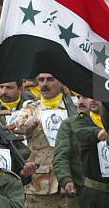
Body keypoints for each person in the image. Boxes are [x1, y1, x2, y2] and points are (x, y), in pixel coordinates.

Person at [12, 73, 70, 208]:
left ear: (60, 82)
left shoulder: (72, 107)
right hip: (40, 183)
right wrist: (28, 124)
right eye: (41, 80)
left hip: (68, 180)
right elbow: (19, 124)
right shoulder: (31, 108)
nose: (45, 84)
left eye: (50, 79)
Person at [70, 97, 109, 208]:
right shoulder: (82, 120)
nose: (93, 100)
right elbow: (81, 132)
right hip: (94, 193)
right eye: (89, 97)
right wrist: (98, 133)